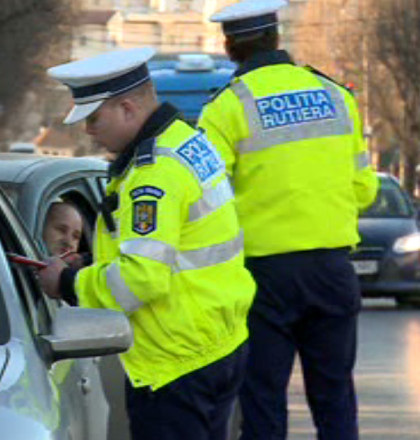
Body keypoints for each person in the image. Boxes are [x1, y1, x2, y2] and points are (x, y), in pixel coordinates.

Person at [38, 46, 256, 440]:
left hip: (177, 359)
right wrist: (92, 263)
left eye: (94, 117)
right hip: (216, 340)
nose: (87, 130)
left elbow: (144, 278)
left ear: (126, 108)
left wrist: (69, 284)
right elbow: (170, 247)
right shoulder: (187, 141)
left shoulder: (153, 175)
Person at [197, 1, 379, 439]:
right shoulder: (336, 94)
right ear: (277, 39)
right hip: (333, 270)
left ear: (230, 47)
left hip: (264, 275)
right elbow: (365, 189)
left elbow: (208, 200)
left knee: (262, 398)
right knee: (335, 396)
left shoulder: (225, 108)